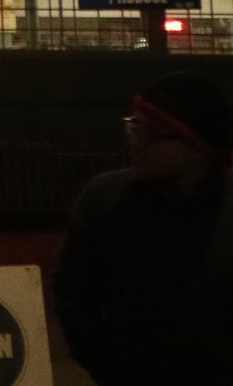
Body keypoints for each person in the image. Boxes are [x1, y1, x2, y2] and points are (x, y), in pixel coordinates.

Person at [55, 72, 233, 383]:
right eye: (133, 126)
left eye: (150, 132)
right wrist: (108, 367)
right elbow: (72, 293)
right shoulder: (105, 198)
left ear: (196, 147)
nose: (135, 142)